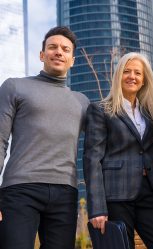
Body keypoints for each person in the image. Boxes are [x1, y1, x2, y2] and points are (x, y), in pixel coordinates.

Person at [0, 26, 89, 249]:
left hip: (65, 193)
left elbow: (104, 144)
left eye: (65, 49)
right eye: (53, 47)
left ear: (72, 59)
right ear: (42, 55)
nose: (59, 52)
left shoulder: (82, 102)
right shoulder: (15, 87)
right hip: (20, 189)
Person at [83, 52, 153, 249]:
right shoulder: (101, 110)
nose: (132, 76)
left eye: (137, 73)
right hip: (115, 195)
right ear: (119, 76)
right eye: (126, 71)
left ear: (144, 80)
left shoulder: (150, 114)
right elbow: (92, 159)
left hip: (151, 192)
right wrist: (97, 208)